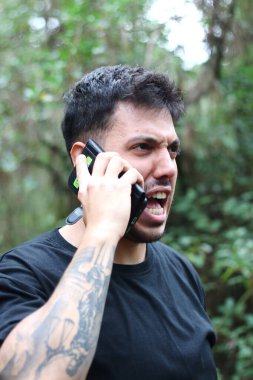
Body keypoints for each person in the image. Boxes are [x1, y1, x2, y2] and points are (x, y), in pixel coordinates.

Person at [0, 65, 217, 380]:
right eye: (143, 147)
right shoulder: (22, 274)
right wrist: (103, 232)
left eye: (172, 149)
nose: (169, 167)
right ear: (84, 161)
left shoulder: (181, 271)